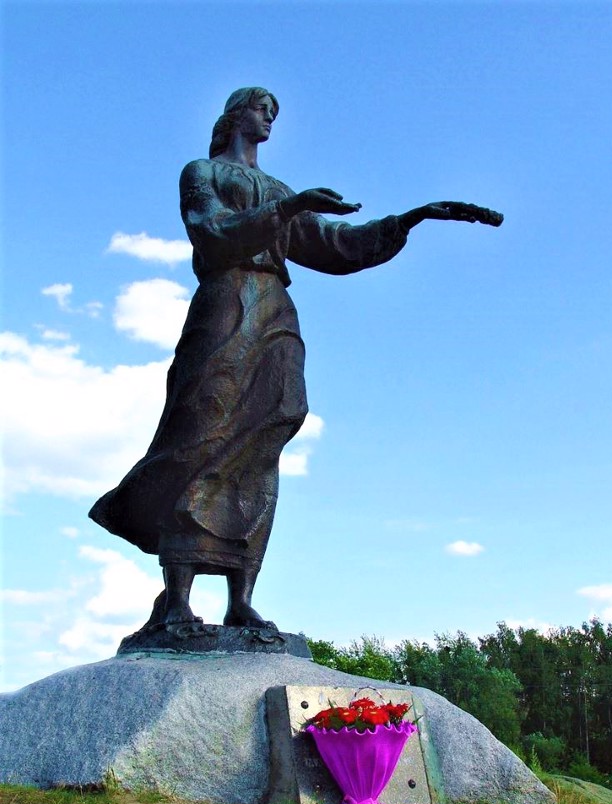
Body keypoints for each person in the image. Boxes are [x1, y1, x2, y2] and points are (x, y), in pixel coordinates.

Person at [89, 87, 502, 634]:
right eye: (262, 109)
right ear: (236, 114)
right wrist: (287, 207)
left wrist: (411, 219)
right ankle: (178, 601)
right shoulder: (202, 173)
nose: (269, 119)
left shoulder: (281, 190)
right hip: (224, 303)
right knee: (203, 429)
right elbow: (211, 232)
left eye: (274, 114)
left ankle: (241, 598)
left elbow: (335, 244)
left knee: (273, 425)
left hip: (275, 311)